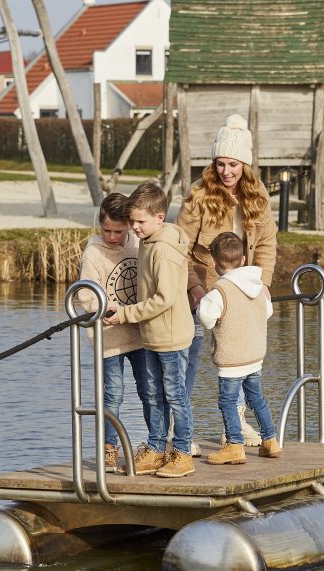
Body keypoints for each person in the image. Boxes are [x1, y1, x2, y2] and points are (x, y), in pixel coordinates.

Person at [176, 113, 278, 449]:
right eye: (220, 163)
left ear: (244, 165)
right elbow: (180, 246)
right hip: (203, 291)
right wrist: (193, 287)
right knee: (189, 357)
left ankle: (234, 426)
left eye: (233, 164)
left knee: (239, 357)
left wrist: (263, 284)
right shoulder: (198, 195)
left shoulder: (257, 195)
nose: (226, 171)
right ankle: (181, 432)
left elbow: (266, 242)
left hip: (243, 291)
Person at [105, 181, 196, 478]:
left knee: (174, 395)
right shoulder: (148, 242)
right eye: (131, 221)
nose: (134, 227)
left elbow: (165, 298)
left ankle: (181, 452)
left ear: (159, 217)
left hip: (170, 336)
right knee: (155, 395)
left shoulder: (164, 251)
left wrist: (125, 315)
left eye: (139, 222)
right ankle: (156, 448)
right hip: (153, 336)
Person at [77, 192, 158, 474]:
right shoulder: (93, 252)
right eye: (106, 230)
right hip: (109, 335)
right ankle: (109, 449)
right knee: (113, 394)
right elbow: (86, 295)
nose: (112, 236)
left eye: (118, 231)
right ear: (100, 224)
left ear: (129, 226)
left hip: (139, 331)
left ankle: (155, 445)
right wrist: (107, 308)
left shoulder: (138, 243)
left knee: (149, 390)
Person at [198, 232, 282, 464]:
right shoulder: (257, 287)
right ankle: (270, 440)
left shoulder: (219, 292)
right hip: (254, 356)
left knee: (227, 402)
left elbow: (206, 318)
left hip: (232, 360)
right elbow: (268, 312)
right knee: (257, 399)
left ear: (214, 263)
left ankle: (234, 445)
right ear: (243, 259)